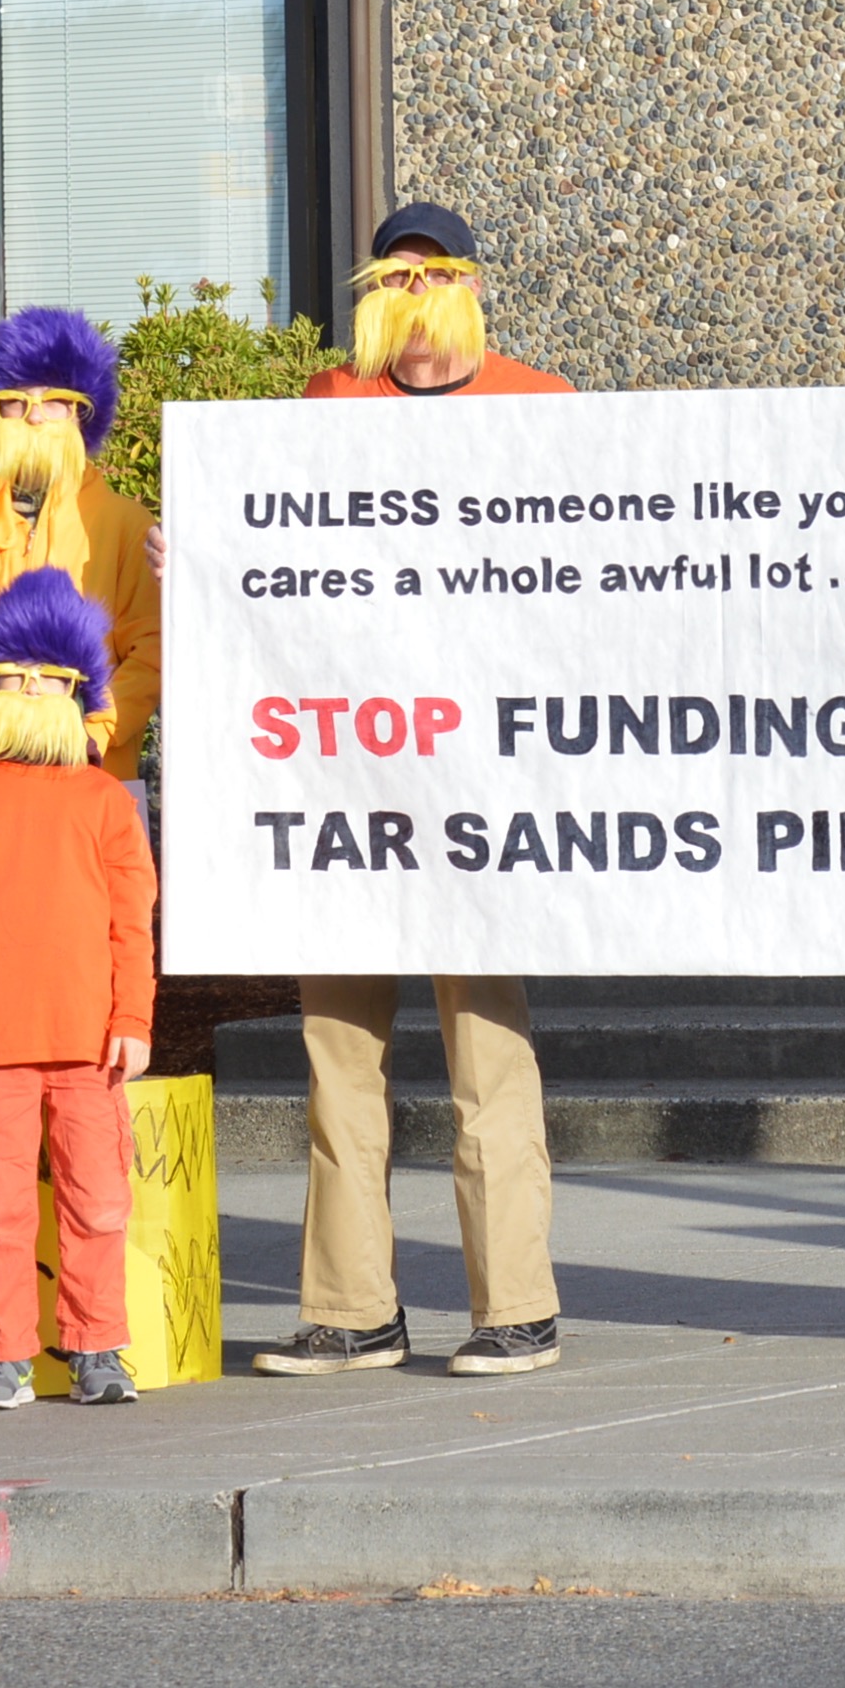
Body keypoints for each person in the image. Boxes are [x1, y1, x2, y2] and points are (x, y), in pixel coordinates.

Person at [259, 203, 577, 1381]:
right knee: (337, 1046)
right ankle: (352, 1309)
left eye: (434, 269)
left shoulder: (542, 404)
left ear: (472, 289)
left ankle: (517, 1305)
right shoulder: (331, 404)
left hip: (481, 783)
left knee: (486, 1044)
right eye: (393, 269)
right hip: (342, 772)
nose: (413, 284)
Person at [0, 565, 161, 1412]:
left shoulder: (103, 799)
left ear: (74, 693)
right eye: (7, 678)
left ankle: (98, 1348)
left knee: (100, 1203)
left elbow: (135, 920)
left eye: (41, 679)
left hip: (91, 1043)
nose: (22, 691)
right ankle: (0, 1356)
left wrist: (134, 1016)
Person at [0, 311, 164, 794]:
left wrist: (92, 732)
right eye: (14, 402)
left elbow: (152, 654)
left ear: (84, 414)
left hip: (89, 778)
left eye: (56, 400)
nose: (35, 415)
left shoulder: (127, 524)